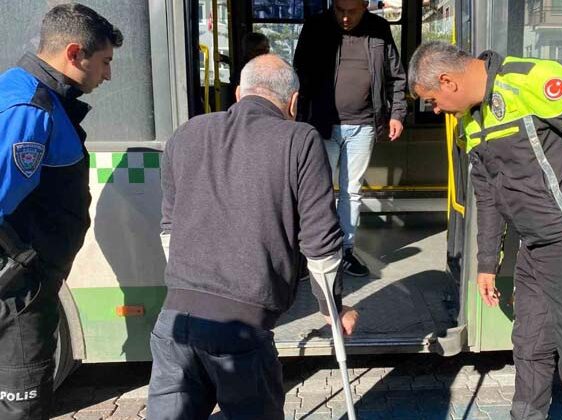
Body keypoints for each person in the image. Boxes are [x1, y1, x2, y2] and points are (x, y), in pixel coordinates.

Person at [408, 42, 562, 420]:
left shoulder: (527, 81)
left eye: (431, 100)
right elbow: (487, 195)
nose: (434, 110)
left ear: (447, 81)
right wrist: (487, 263)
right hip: (535, 249)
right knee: (530, 347)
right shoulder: (472, 121)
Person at [147, 54, 359, 419]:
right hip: (241, 330)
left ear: (238, 93)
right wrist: (331, 308)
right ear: (293, 102)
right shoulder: (300, 139)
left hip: (173, 322)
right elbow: (321, 244)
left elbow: (170, 230)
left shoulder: (186, 133)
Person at [0, 4, 123, 419]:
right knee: (24, 407)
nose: (108, 75)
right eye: (104, 62)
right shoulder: (31, 111)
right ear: (74, 54)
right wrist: (26, 266)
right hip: (19, 292)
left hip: (25, 283)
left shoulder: (27, 92)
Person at [293, 0, 407, 277]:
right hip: (320, 125)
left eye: (352, 12)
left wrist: (397, 114)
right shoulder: (315, 27)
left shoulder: (379, 29)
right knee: (315, 192)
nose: (345, 18)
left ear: (365, 6)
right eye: (339, 11)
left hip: (364, 125)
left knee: (351, 192)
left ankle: (345, 250)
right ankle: (313, 252)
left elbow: (396, 77)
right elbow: (299, 74)